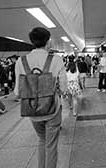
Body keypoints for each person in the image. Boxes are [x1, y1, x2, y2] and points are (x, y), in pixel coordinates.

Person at [14, 27, 67, 168]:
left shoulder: (21, 61)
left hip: (32, 111)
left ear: (32, 41)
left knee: (42, 140)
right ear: (48, 41)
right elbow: (63, 88)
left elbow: (17, 92)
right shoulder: (56, 60)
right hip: (52, 109)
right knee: (51, 145)